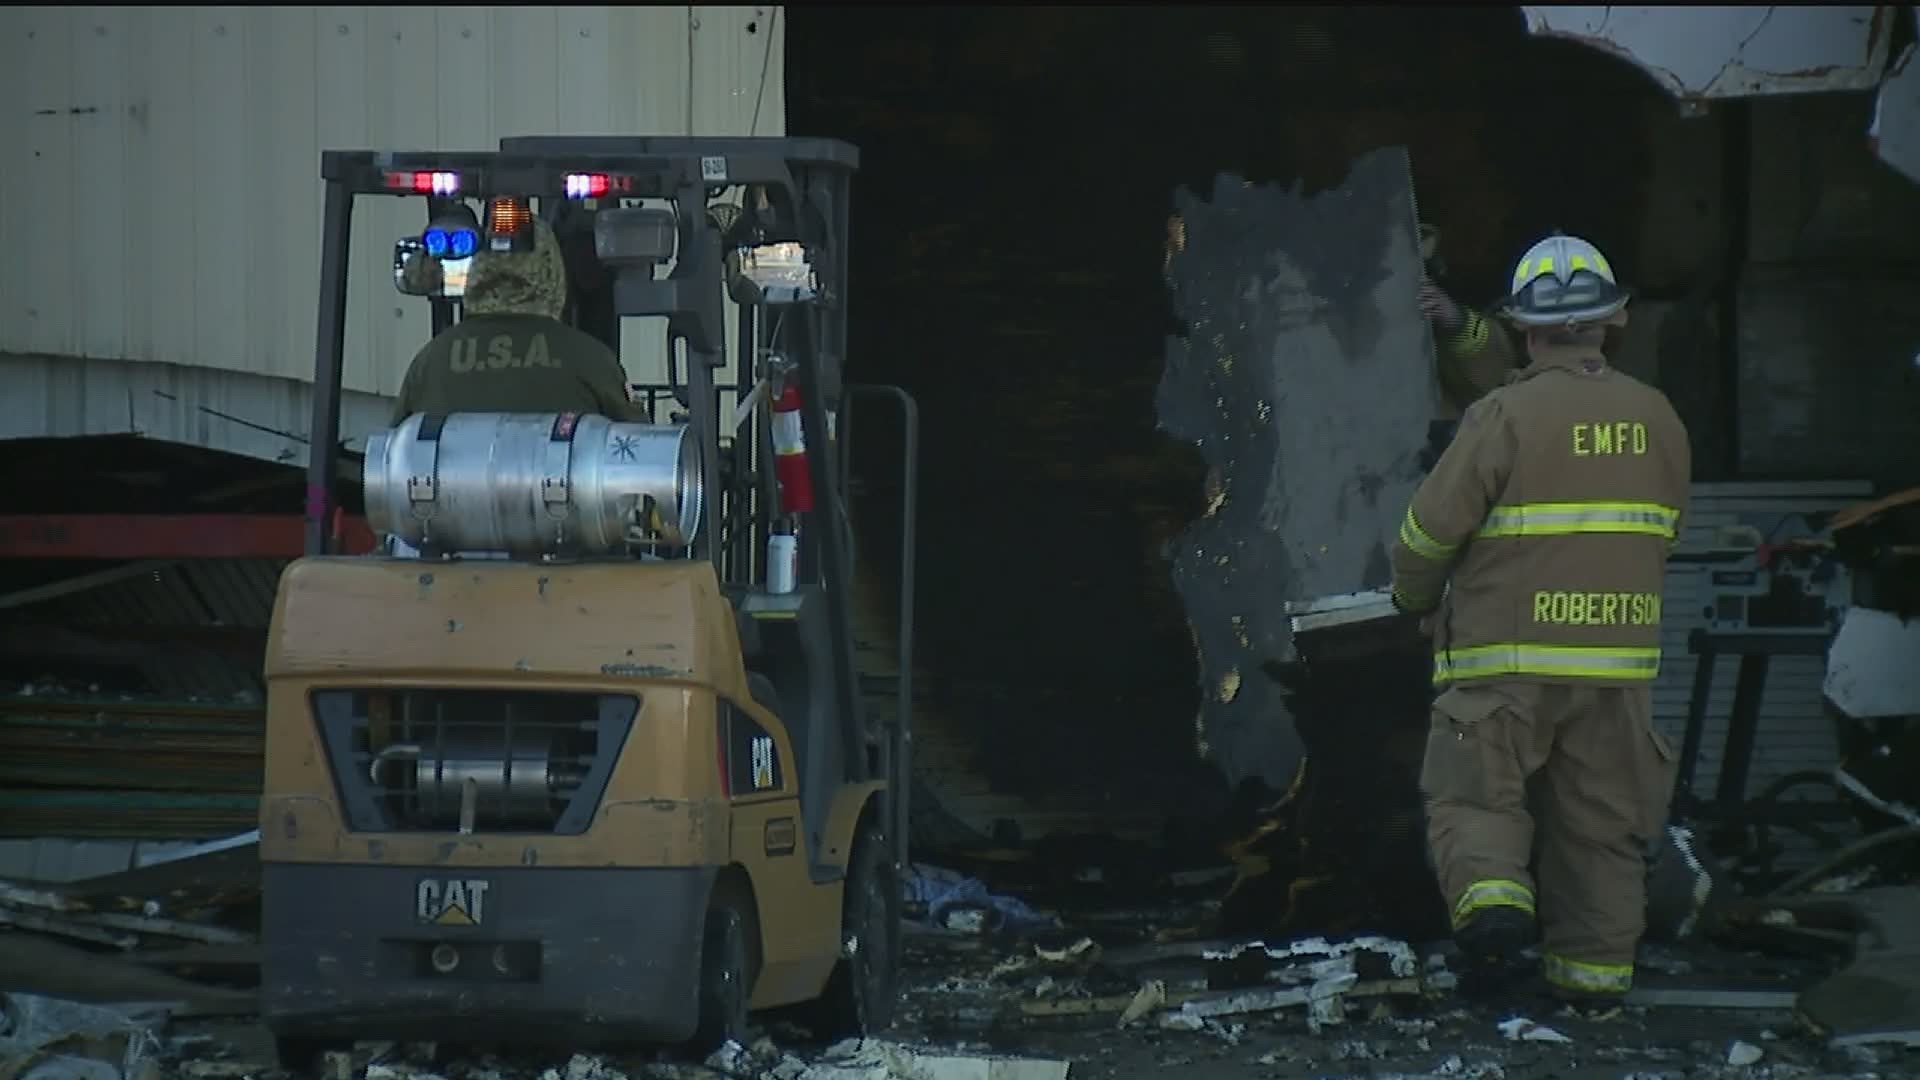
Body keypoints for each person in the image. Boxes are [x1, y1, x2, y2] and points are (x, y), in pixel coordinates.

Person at [1387, 234, 1692, 1002]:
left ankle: (1495, 910)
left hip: (1503, 660)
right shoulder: (1659, 417)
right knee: (1600, 828)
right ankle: (1593, 985)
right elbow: (1663, 534)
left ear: (1524, 328)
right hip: (1615, 669)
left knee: (1478, 795)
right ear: (1614, 320)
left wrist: (1414, 602)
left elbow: (1428, 532)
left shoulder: (1503, 414)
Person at [390, 213, 645, 424]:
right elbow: (637, 448)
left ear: (480, 267)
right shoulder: (592, 361)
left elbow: (393, 453)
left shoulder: (429, 363)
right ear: (552, 271)